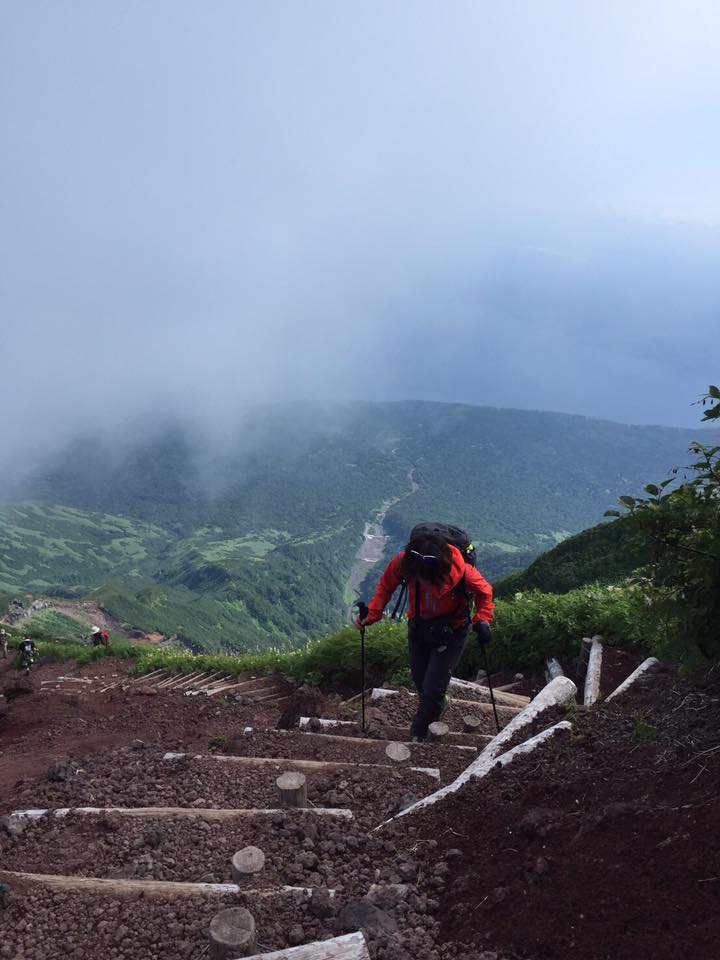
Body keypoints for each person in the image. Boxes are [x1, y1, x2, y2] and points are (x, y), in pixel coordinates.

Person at [356, 532, 494, 741]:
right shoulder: (406, 563)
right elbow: (386, 585)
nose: (420, 581)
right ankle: (437, 705)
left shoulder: (464, 573)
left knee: (432, 689)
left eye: (424, 579)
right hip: (419, 628)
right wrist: (373, 614)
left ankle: (420, 732)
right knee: (420, 680)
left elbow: (485, 592)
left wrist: (482, 620)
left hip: (452, 632)